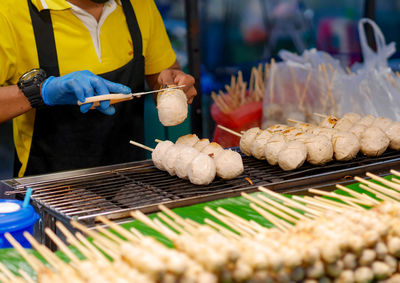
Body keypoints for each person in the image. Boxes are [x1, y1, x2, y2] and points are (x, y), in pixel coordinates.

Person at [0, 0, 197, 178]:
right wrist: (42, 92)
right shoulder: (10, 11)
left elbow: (163, 75)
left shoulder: (140, 5)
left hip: (131, 179)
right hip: (47, 186)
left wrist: (172, 87)